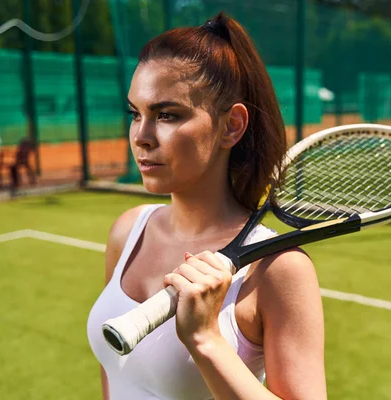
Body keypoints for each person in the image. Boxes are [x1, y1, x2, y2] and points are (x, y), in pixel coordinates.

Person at [86, 12, 326, 400]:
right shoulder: (127, 230)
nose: (141, 137)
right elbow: (113, 379)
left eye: (167, 114)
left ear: (232, 125)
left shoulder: (279, 271)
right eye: (135, 113)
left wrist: (206, 339)